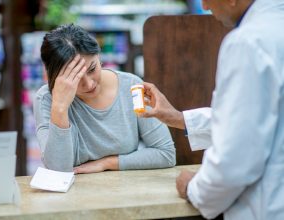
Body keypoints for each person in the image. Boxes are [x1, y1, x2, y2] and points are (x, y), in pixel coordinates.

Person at [140, 0, 284, 219]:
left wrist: (194, 188)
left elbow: (236, 157)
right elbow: (263, 116)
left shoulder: (248, 42)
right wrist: (179, 118)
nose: (205, 6)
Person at [33, 24, 176, 174]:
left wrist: (107, 163)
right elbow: (57, 170)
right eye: (75, 78)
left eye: (92, 69)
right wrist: (60, 108)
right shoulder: (47, 99)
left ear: (98, 56)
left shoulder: (132, 86)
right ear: (56, 77)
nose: (89, 84)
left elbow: (166, 154)